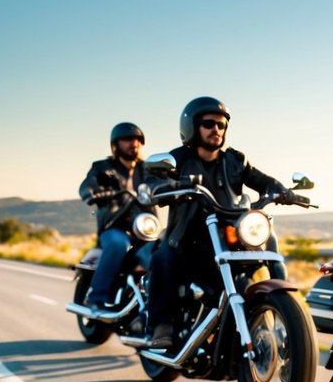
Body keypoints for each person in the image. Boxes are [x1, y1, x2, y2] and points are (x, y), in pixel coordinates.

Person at [144, 96, 289, 348]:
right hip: (187, 237)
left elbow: (261, 179)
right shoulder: (177, 159)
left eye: (221, 125)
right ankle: (161, 323)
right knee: (162, 258)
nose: (216, 130)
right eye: (209, 124)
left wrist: (281, 190)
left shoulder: (234, 160)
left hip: (229, 234)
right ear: (192, 127)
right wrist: (164, 187)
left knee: (269, 241)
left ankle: (286, 311)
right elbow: (152, 181)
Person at [78, 122, 156, 313]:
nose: (134, 143)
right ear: (116, 144)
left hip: (144, 230)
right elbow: (87, 185)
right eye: (128, 139)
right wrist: (93, 192)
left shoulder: (148, 169)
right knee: (118, 244)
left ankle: (155, 306)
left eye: (138, 140)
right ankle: (97, 297)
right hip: (114, 227)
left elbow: (165, 182)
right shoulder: (102, 167)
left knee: (162, 255)